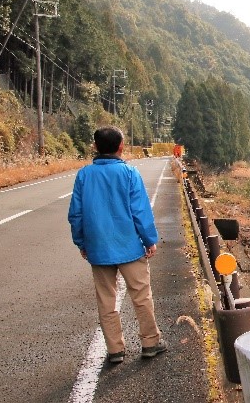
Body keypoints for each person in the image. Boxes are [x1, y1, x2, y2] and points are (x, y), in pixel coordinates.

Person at [68, 126, 167, 364]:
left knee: (106, 300)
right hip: (130, 246)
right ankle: (150, 342)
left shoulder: (84, 175)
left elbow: (76, 215)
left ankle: (115, 350)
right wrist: (149, 240)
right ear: (121, 146)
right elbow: (140, 211)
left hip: (98, 248)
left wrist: (82, 242)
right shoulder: (130, 173)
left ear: (95, 146)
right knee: (141, 296)